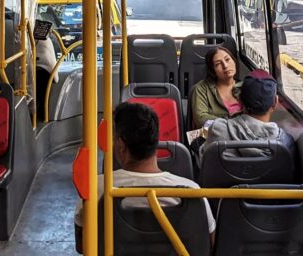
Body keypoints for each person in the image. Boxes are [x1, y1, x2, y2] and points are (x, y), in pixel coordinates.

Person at [74, 102, 215, 253]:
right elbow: (208, 244)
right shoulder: (191, 193)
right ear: (155, 141)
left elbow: (82, 245)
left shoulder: (97, 187)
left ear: (121, 145)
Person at [203, 69, 290, 157]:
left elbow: (205, 160)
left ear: (240, 100)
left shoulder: (217, 129)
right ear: (275, 102)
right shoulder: (284, 143)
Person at [189, 46, 241, 129]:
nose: (225, 66)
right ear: (213, 70)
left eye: (227, 59)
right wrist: (232, 124)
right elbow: (201, 118)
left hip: (242, 136)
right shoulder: (202, 88)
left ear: (234, 61)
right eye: (218, 64)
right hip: (214, 137)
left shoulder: (245, 86)